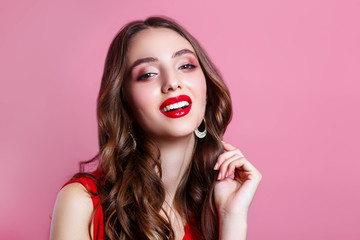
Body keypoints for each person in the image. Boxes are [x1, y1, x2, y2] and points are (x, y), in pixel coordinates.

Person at [50, 16, 262, 240]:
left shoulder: (215, 205)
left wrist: (232, 218)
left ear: (207, 89)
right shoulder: (82, 204)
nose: (172, 82)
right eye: (148, 74)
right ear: (125, 104)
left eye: (186, 65)